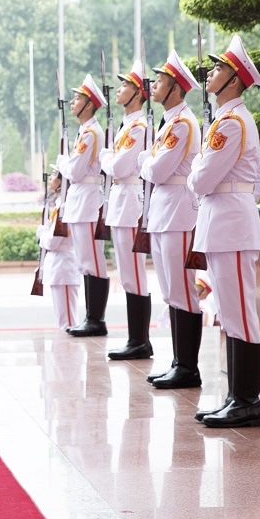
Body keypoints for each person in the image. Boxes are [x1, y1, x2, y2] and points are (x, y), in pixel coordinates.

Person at [188, 35, 260, 428]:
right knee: (231, 314)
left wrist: (232, 195)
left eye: (218, 68)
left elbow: (201, 179)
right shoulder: (229, 119)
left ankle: (247, 402)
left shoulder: (233, 122)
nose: (211, 72)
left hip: (231, 226)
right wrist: (240, 195)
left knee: (240, 316)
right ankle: (237, 397)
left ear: (234, 80)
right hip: (226, 221)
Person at [139, 50, 202, 390]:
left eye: (161, 81)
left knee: (182, 290)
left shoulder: (182, 124)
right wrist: (148, 162)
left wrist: (145, 161)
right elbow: (152, 167)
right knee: (170, 291)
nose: (154, 85)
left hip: (178, 213)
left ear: (176, 88)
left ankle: (188, 367)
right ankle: (179, 362)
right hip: (165, 213)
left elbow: (157, 169)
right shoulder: (170, 123)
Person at [103, 60, 152, 360]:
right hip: (121, 201)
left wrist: (109, 159)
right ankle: (135, 338)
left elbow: (118, 166)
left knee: (134, 274)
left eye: (124, 86)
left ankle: (140, 340)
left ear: (137, 93)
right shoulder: (126, 127)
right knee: (127, 274)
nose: (118, 90)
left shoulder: (138, 127)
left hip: (131, 200)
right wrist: (110, 160)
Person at [60, 74, 110, 337]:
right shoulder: (85, 131)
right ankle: (91, 317)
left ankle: (96, 319)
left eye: (77, 98)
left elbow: (75, 170)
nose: (72, 102)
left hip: (88, 201)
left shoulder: (91, 133)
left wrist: (62, 163)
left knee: (92, 262)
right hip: (81, 201)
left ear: (89, 104)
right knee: (85, 261)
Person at [36, 172, 82, 329]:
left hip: (64, 265)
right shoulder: (60, 204)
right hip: (59, 266)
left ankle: (69, 353)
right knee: (64, 320)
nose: (50, 178)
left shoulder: (65, 206)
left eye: (55, 175)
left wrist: (42, 234)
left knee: (68, 324)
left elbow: (53, 241)